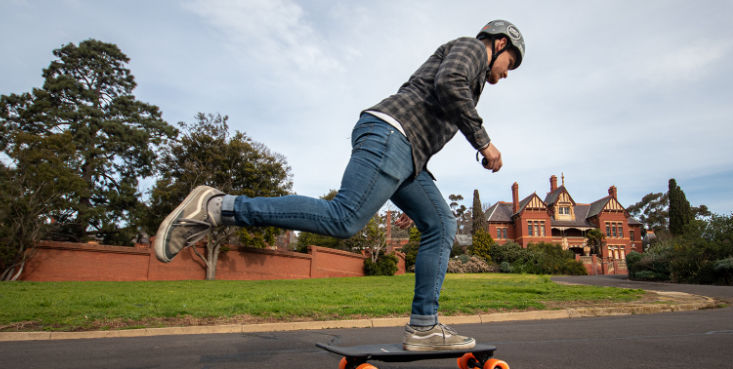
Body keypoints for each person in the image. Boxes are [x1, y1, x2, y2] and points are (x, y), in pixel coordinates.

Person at [154, 20, 525, 351]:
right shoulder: (473, 48)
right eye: (511, 64)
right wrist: (483, 141)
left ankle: (425, 327)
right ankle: (219, 206)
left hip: (407, 155)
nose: (507, 74)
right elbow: (449, 82)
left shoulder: (475, 73)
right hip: (392, 136)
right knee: (344, 219)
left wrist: (408, 193)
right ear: (500, 44)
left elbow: (439, 101)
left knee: (441, 223)